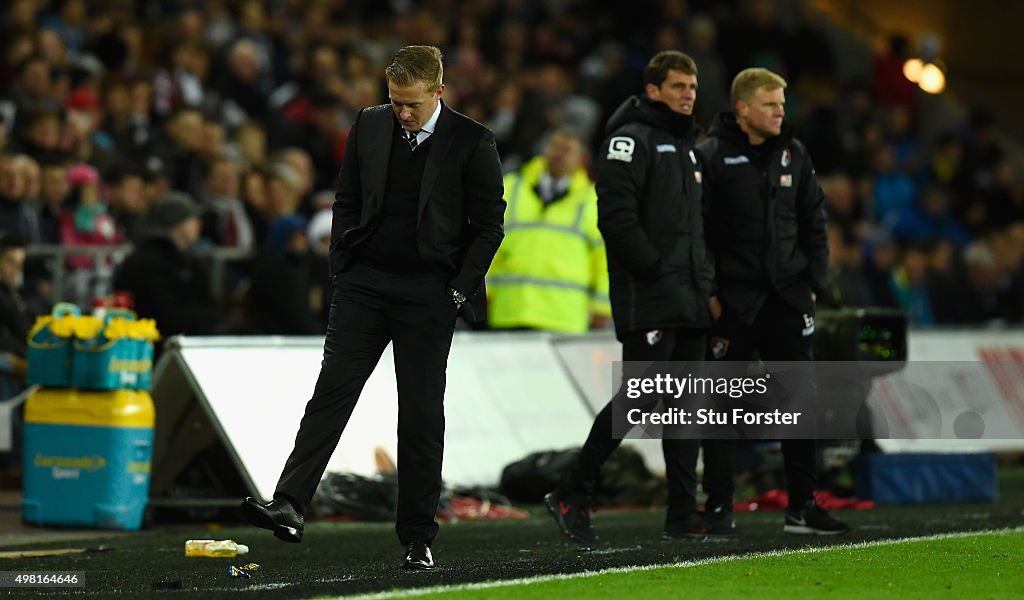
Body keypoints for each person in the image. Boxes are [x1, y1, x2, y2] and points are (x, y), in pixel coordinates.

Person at [240, 45, 505, 571]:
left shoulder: (474, 141)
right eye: (394, 102)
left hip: (429, 292)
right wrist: (342, 270)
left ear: (438, 92)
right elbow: (347, 198)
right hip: (364, 284)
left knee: (421, 415)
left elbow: (490, 228)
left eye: (411, 104)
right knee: (332, 391)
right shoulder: (369, 123)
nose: (401, 113)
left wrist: (456, 292)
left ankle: (418, 538)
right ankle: (290, 504)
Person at [544, 51, 719, 544]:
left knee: (685, 407)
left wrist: (701, 281)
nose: (688, 94)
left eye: (692, 86)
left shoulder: (687, 147)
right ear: (653, 90)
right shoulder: (629, 140)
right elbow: (616, 218)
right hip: (650, 294)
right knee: (640, 399)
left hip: (686, 294)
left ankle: (682, 514)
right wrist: (656, 270)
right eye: (679, 86)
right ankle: (571, 492)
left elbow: (697, 229)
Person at [697, 67, 849, 535]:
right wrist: (711, 293)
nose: (780, 111)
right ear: (742, 108)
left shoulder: (794, 153)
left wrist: (815, 283)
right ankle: (720, 507)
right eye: (770, 104)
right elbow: (695, 232)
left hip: (787, 299)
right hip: (735, 303)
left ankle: (803, 507)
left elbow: (814, 220)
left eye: (782, 103)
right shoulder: (710, 155)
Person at [486, 127, 610, 334]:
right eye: (555, 146)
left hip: (563, 319)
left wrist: (601, 307)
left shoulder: (592, 201)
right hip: (509, 312)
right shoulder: (510, 189)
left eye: (567, 149)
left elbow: (604, 258)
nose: (559, 154)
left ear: (581, 158)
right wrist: (483, 293)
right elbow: (487, 245)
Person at [112, 191, 224, 337]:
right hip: (158, 347)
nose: (199, 225)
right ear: (178, 223)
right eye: (193, 219)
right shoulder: (151, 262)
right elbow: (167, 315)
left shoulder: (185, 259)